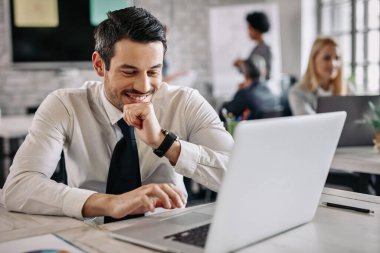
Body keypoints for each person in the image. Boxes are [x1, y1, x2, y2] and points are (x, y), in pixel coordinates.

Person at [1, 7, 233, 223]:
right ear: (99, 65)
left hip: (169, 230)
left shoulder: (185, 102)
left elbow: (239, 175)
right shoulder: (65, 104)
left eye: (153, 71)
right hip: (92, 233)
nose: (144, 87)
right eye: (129, 71)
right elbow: (18, 187)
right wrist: (111, 203)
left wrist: (164, 142)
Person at [288, 37, 349, 115]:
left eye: (337, 58)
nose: (333, 64)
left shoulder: (348, 88)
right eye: (326, 58)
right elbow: (310, 123)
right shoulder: (297, 92)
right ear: (313, 60)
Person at [221, 55, 277, 121]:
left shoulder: (245, 94)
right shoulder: (271, 93)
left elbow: (225, 112)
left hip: (251, 130)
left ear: (246, 73)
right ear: (263, 72)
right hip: (268, 130)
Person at [234, 11, 272, 80]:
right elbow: (252, 67)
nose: (248, 31)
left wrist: (241, 64)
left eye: (250, 28)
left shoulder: (265, 49)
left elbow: (261, 74)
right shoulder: (258, 48)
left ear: (256, 29)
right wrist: (242, 63)